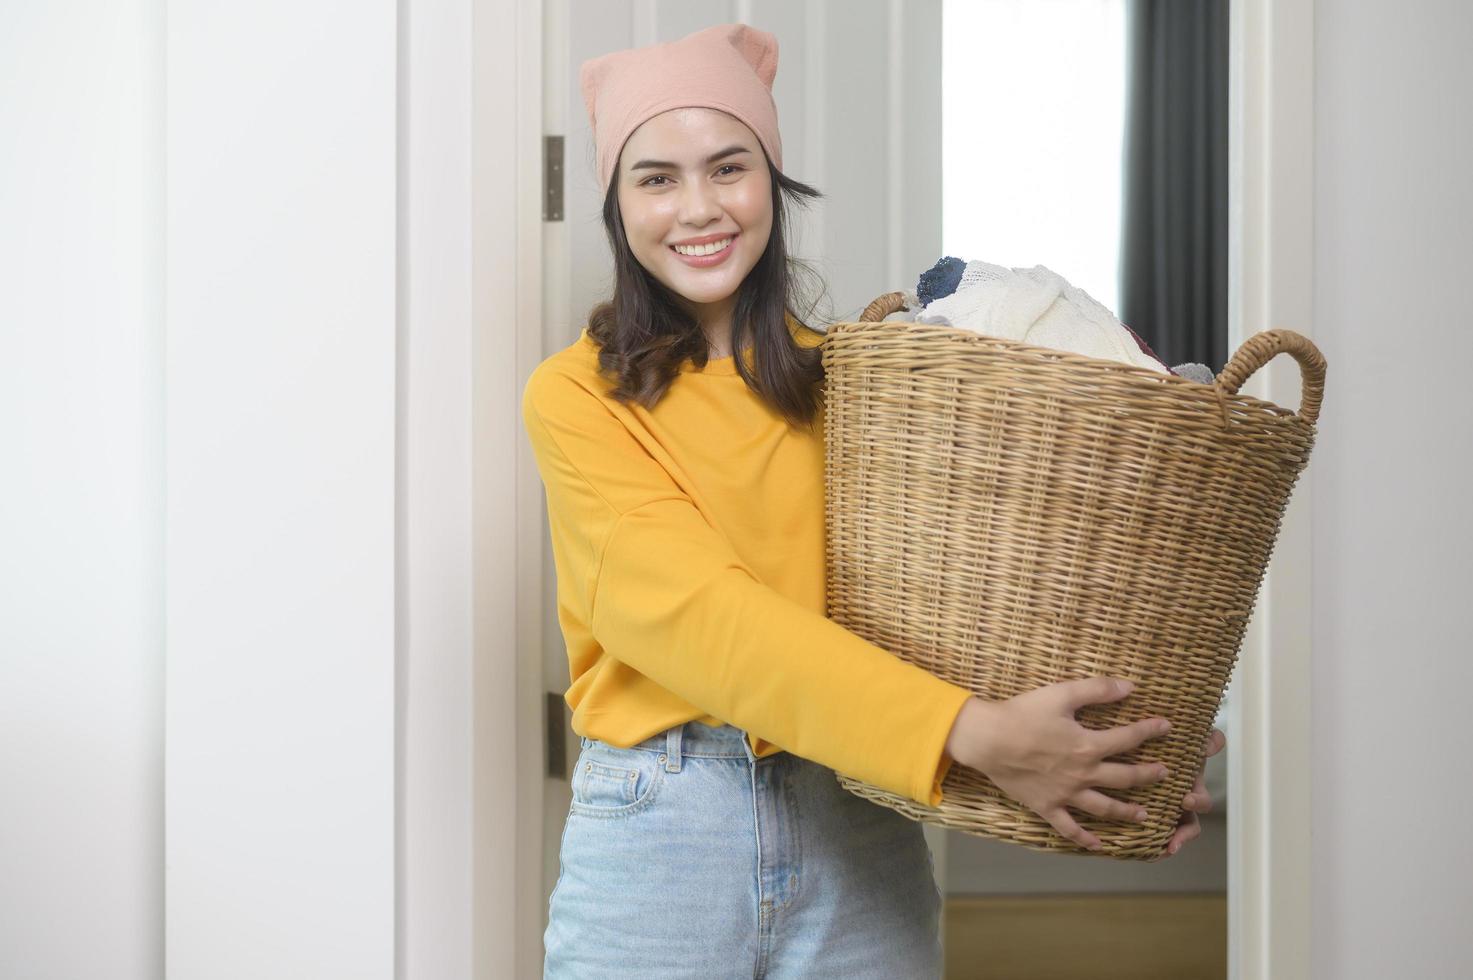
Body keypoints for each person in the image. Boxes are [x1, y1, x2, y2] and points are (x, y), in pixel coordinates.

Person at [522, 23, 1225, 979]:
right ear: (616, 206)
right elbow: (696, 618)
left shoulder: (866, 380)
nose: (698, 208)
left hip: (862, 808)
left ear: (771, 177)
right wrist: (972, 733)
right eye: (656, 178)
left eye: (728, 166)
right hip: (662, 833)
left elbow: (976, 598)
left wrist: (1116, 759)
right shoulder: (578, 397)